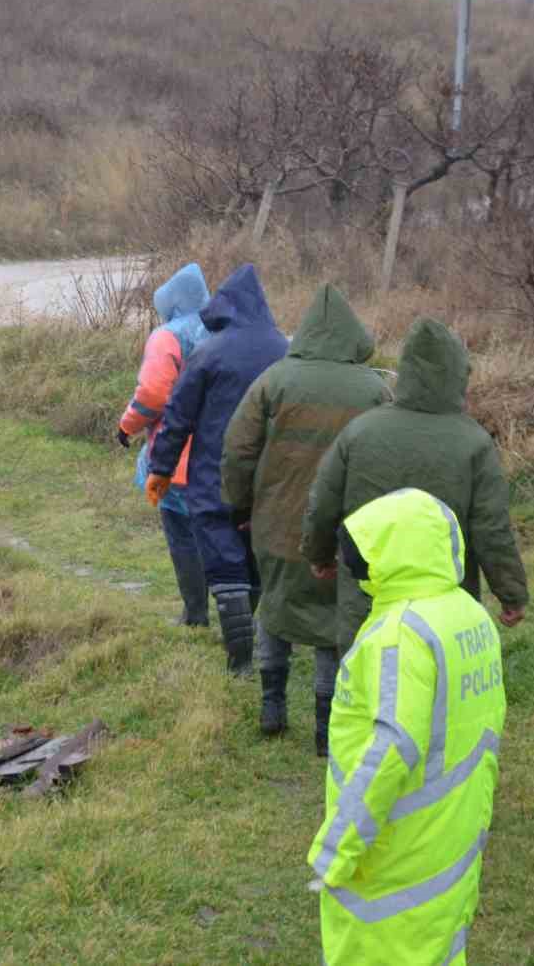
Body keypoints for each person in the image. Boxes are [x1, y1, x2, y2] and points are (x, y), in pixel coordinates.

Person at [306, 488, 506, 966]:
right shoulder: (467, 614)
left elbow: (394, 747)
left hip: (395, 848)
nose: (353, 562)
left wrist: (338, 847)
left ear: (391, 553)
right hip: (452, 831)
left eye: (361, 550)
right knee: (437, 945)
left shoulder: (400, 634)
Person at [220, 284, 390, 747]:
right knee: (333, 622)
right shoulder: (374, 389)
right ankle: (325, 725)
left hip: (275, 524)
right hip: (346, 532)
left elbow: (237, 450)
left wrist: (240, 505)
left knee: (275, 608)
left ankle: (271, 705)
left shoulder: (273, 380)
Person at [303, 317, 529, 658]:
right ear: (458, 375)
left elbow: (323, 504)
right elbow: (491, 530)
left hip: (369, 606)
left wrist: (318, 555)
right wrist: (511, 593)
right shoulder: (475, 443)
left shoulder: (359, 432)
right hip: (445, 615)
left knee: (364, 681)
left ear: (405, 373)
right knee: (438, 684)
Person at [147, 263, 288, 675]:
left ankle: (239, 660)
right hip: (269, 478)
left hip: (214, 473)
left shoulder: (210, 352)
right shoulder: (285, 350)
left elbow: (178, 417)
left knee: (225, 564)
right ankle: (253, 644)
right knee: (254, 558)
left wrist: (161, 469)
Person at [116, 262, 212, 627]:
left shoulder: (168, 335)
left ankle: (195, 613)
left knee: (182, 533)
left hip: (177, 457)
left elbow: (153, 394)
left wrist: (127, 425)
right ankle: (238, 615)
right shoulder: (223, 328)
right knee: (219, 533)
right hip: (224, 453)